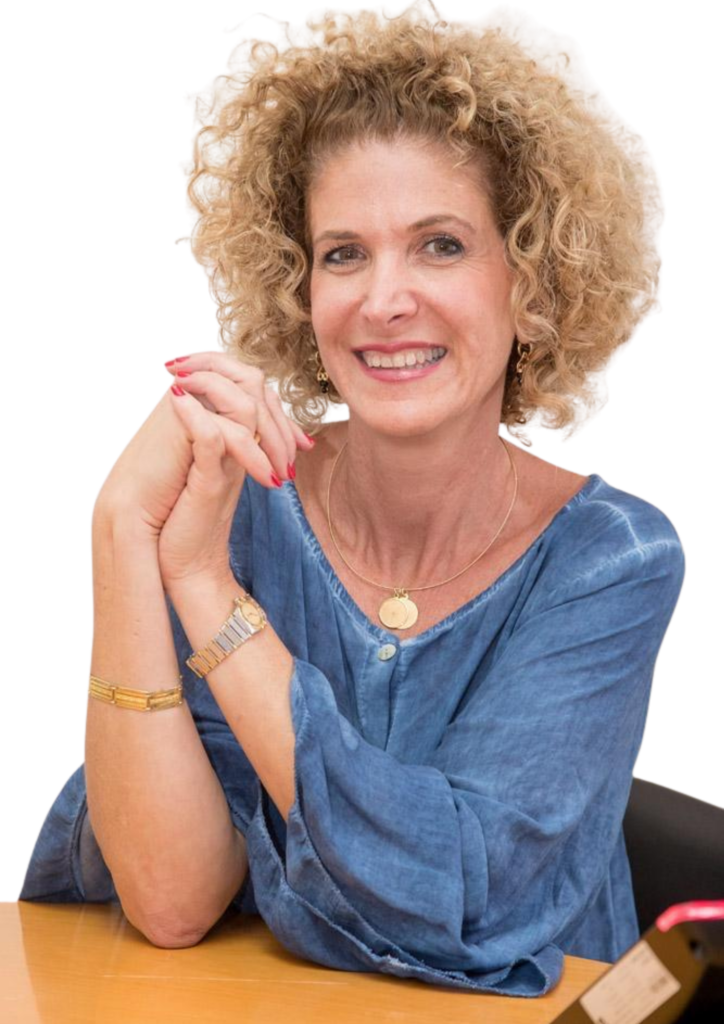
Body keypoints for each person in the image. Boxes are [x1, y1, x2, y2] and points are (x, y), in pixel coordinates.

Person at [17, 22, 685, 997]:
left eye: (440, 245)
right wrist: (125, 532)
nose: (383, 300)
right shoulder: (237, 509)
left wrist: (210, 593)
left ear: (528, 280)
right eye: (342, 254)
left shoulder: (613, 557)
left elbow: (465, 903)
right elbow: (171, 900)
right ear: (300, 289)